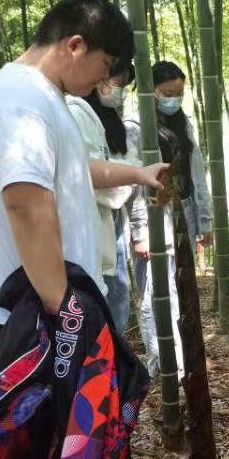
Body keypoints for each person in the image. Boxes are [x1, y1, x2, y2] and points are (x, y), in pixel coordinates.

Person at [0, 0, 172, 459]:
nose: (104, 83)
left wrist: (140, 173)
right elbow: (26, 203)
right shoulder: (19, 103)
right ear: (75, 45)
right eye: (104, 68)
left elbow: (78, 168)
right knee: (96, 419)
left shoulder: (31, 96)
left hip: (43, 293)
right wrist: (65, 310)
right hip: (37, 297)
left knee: (55, 415)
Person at [126, 61, 212, 379]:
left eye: (179, 93)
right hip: (153, 214)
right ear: (150, 92)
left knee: (181, 284)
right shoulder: (134, 126)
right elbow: (134, 184)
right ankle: (162, 362)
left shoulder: (183, 122)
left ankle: (180, 356)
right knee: (154, 294)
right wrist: (140, 231)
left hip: (182, 211)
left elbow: (196, 171)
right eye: (167, 93)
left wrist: (204, 221)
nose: (174, 99)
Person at [67, 65, 139, 333]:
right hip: (91, 220)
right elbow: (96, 178)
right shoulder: (75, 112)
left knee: (118, 293)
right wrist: (133, 175)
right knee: (104, 298)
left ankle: (114, 363)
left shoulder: (110, 119)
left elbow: (122, 165)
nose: (119, 91)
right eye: (118, 82)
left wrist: (129, 175)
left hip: (113, 220)